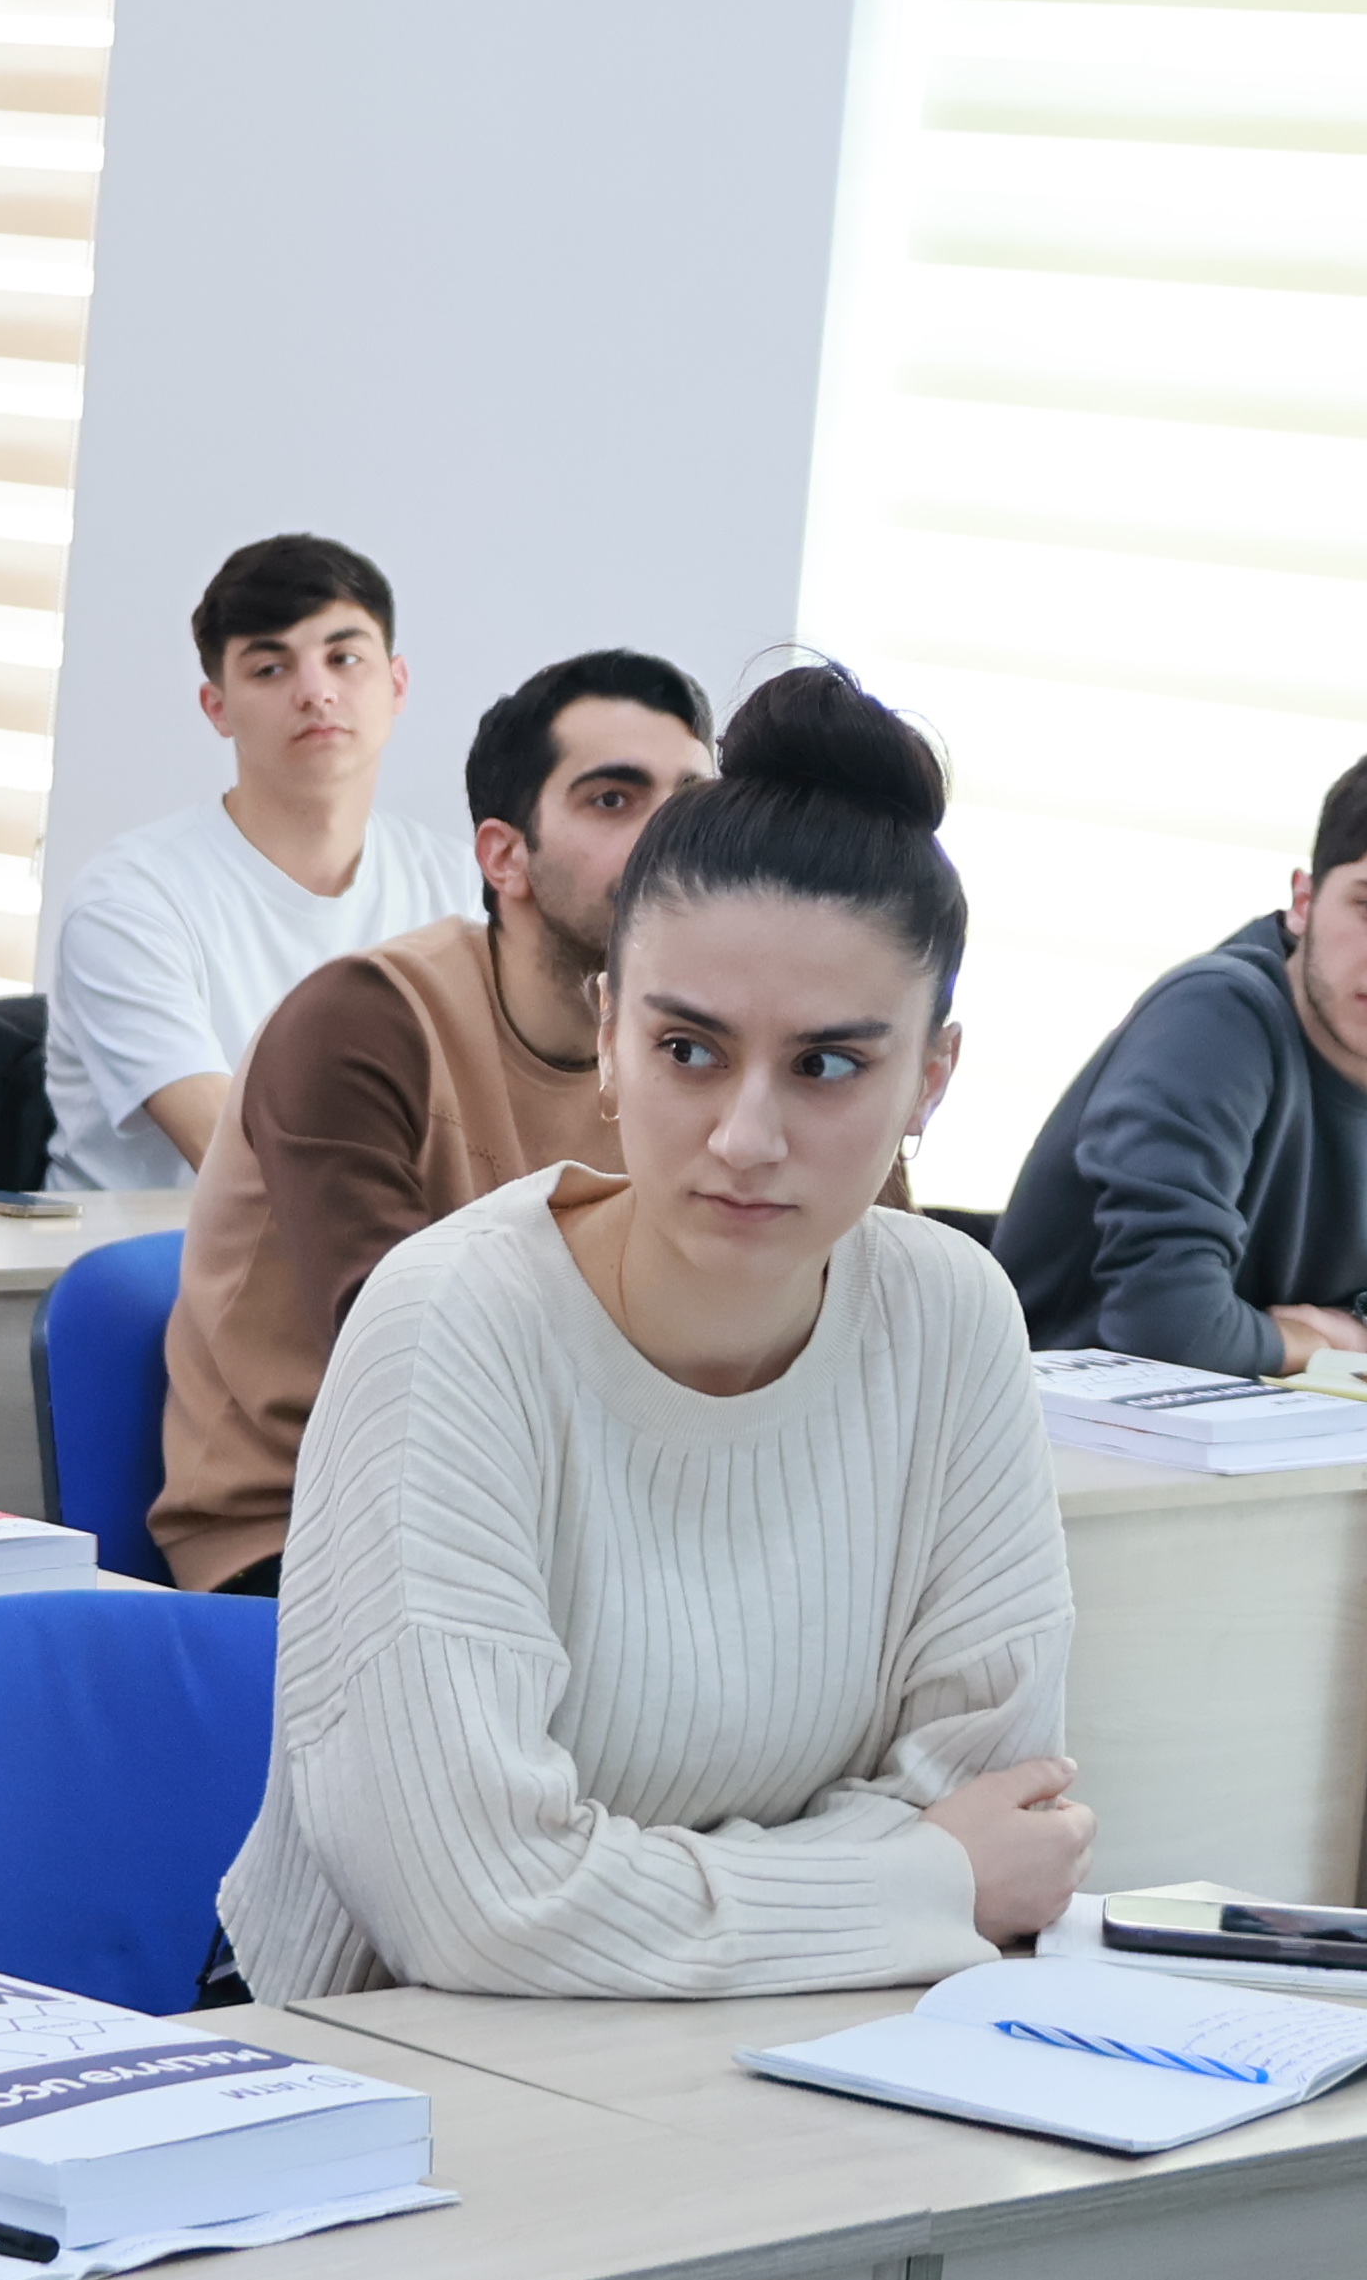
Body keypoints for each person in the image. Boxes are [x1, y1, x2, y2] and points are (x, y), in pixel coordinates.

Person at [218, 662, 1088, 2003]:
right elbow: (471, 1908)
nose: (746, 1136)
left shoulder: (953, 1316)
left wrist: (632, 1894)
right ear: (610, 1038)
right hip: (397, 2059)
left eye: (828, 1065)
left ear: (931, 1079)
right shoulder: (453, 1327)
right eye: (689, 1050)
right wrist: (921, 1882)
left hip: (804, 2048)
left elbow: (992, 1792)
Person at [154, 648, 715, 1596]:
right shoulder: (361, 1021)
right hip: (312, 1536)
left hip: (578, 1521)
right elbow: (410, 1364)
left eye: (691, 804)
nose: (669, 840)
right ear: (504, 856)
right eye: (614, 800)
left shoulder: (696, 1046)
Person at [993, 728, 1367, 1375]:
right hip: (1067, 1425)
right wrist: (1327, 1350)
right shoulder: (1214, 1018)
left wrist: (1364, 1332)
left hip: (1269, 1426)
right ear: (1304, 903)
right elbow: (1168, 1331)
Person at [43, 534, 478, 1194]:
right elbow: (238, 1159)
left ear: (396, 684)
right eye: (271, 669)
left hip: (393, 1246)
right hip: (161, 1254)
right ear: (217, 708)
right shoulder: (129, 900)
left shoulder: (463, 889)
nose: (316, 692)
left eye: (344, 658)